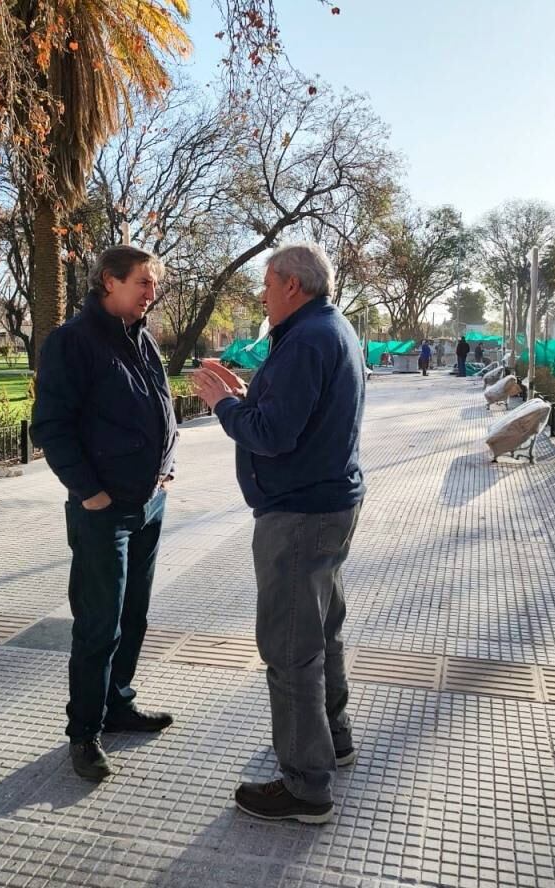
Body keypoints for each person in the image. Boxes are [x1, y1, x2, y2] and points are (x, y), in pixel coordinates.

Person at [194, 243, 365, 825]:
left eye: (266, 284)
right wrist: (246, 396)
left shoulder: (308, 337)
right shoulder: (329, 329)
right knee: (322, 633)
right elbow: (294, 415)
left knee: (291, 651)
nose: (261, 295)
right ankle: (332, 741)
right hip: (326, 506)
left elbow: (272, 434)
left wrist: (222, 404)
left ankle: (305, 785)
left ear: (292, 285)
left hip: (298, 517)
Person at [31, 245, 176, 781]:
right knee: (99, 624)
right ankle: (84, 731)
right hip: (103, 511)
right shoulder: (73, 342)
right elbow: (51, 427)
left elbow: (161, 408)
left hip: (149, 503)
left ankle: (118, 704)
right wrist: (90, 493)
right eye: (142, 282)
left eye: (152, 284)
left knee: (134, 613)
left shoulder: (142, 339)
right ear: (108, 283)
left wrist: (167, 468)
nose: (150, 293)